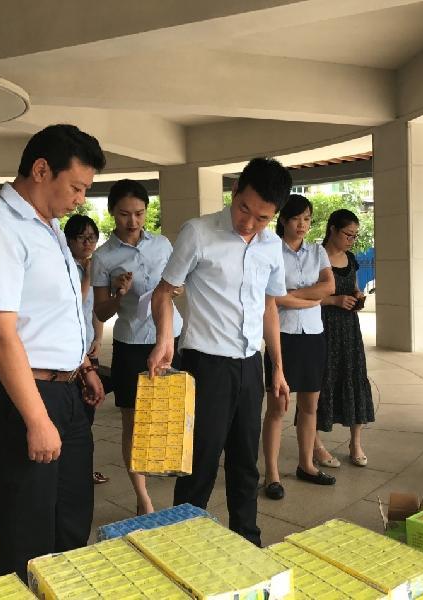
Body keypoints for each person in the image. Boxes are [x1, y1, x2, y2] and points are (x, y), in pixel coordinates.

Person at [0, 124, 107, 579]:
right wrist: (38, 420)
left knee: (71, 521)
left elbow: (50, 315)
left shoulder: (50, 228)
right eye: (76, 186)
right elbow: (0, 336)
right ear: (41, 170)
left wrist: (83, 366)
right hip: (21, 398)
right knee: (28, 535)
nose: (80, 199)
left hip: (65, 393)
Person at [147, 157, 292, 546]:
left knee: (246, 462)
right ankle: (183, 543)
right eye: (244, 209)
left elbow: (269, 306)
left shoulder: (271, 246)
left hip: (249, 366)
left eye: (262, 218)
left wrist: (277, 367)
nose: (249, 222)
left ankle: (247, 541)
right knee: (200, 464)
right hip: (206, 366)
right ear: (235, 190)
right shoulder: (198, 233)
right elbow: (164, 293)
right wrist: (165, 339)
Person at [92, 179, 183, 515]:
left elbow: (178, 286)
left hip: (169, 337)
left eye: (139, 213)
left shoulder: (162, 245)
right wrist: (118, 293)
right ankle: (142, 496)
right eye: (124, 214)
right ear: (112, 212)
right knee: (132, 421)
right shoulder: (103, 257)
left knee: (169, 412)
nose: (132, 221)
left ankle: (166, 464)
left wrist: (175, 290)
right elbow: (101, 312)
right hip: (131, 343)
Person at [261, 194, 336, 501]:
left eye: (307, 218)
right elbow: (272, 297)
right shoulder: (270, 250)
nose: (302, 224)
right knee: (277, 408)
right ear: (283, 220)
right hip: (283, 336)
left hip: (313, 336)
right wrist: (309, 298)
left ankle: (306, 464)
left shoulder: (318, 251)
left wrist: (294, 294)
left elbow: (329, 287)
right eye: (296, 218)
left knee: (309, 406)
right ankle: (272, 474)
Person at [315, 209, 375, 468]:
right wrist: (334, 300)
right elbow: (303, 296)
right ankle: (316, 444)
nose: (352, 240)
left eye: (355, 236)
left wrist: (357, 297)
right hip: (323, 327)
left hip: (349, 329)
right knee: (320, 383)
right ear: (333, 230)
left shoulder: (350, 259)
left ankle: (355, 442)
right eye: (348, 234)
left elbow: (354, 287)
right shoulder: (315, 257)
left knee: (354, 377)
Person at [64, 214, 109, 486]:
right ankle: (73, 471)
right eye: (81, 238)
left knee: (88, 412)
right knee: (74, 416)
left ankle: (82, 469)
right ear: (69, 240)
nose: (87, 243)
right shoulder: (66, 266)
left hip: (88, 351)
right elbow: (75, 302)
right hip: (69, 353)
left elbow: (96, 309)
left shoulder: (92, 266)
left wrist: (99, 338)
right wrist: (89, 276)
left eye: (92, 237)